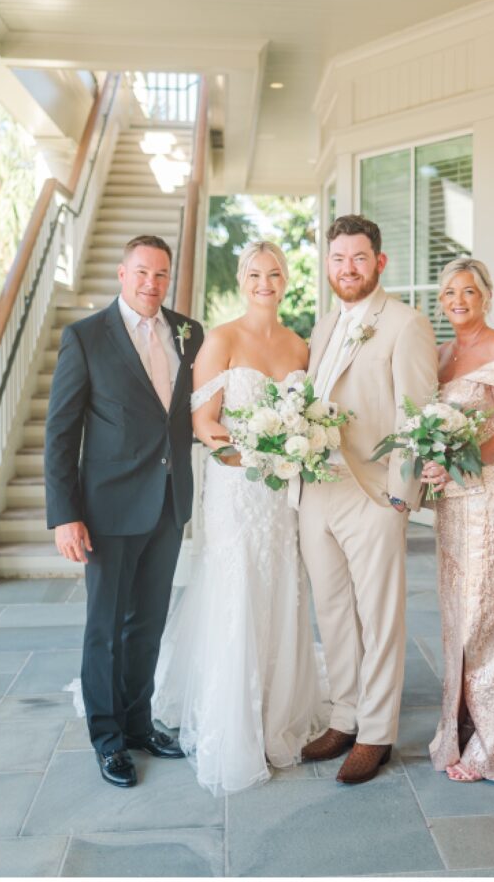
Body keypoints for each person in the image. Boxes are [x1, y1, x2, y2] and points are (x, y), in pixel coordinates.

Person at [152, 240, 324, 795]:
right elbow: (203, 422)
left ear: (286, 279)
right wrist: (253, 457)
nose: (264, 283)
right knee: (239, 589)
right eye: (255, 273)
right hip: (236, 489)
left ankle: (277, 713)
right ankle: (234, 725)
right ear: (243, 278)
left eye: (275, 273)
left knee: (279, 588)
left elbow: (308, 417)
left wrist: (291, 454)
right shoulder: (219, 339)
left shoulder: (301, 345)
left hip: (282, 498)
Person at [45, 235, 204, 788]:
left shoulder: (190, 332)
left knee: (148, 624)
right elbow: (61, 433)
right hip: (107, 508)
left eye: (160, 274)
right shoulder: (85, 338)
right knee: (105, 628)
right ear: (121, 273)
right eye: (141, 273)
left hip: (168, 502)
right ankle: (108, 738)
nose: (151, 284)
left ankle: (138, 723)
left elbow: (186, 417)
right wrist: (66, 513)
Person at [299, 215, 438, 785]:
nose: (347, 268)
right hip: (318, 490)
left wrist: (401, 498)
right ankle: (346, 716)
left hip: (374, 492)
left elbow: (418, 415)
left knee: (379, 618)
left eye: (358, 258)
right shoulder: (324, 323)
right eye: (337, 259)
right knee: (331, 611)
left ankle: (377, 733)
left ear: (379, 262)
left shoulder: (406, 323)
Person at [421, 256, 494, 787]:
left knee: (490, 619)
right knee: (458, 621)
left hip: (493, 497)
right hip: (454, 505)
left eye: (468, 291)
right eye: (449, 292)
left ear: (486, 296)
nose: (458, 300)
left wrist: (457, 462)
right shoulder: (443, 356)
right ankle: (462, 729)